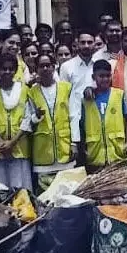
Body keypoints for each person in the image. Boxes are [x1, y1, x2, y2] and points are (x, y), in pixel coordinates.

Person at [0, 54, 33, 190]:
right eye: (4, 69)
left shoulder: (24, 90)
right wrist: (2, 143)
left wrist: (12, 143)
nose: (7, 72)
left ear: (15, 70)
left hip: (19, 147)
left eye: (11, 69)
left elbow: (27, 119)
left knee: (20, 191)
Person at [28, 54, 76, 191]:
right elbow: (29, 120)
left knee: (67, 192)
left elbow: (73, 117)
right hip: (43, 151)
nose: (45, 69)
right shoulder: (31, 92)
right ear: (36, 69)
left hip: (64, 147)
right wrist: (36, 116)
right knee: (46, 195)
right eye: (41, 66)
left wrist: (74, 143)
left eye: (48, 65)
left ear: (54, 67)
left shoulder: (66, 88)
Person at [81, 60, 127, 171]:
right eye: (101, 76)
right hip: (95, 154)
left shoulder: (119, 95)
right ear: (94, 77)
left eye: (108, 76)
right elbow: (82, 125)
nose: (105, 79)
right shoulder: (87, 100)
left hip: (117, 152)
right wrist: (84, 147)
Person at [60, 31, 100, 121]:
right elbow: (63, 96)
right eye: (83, 42)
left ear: (94, 44)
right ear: (77, 44)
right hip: (75, 117)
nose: (86, 46)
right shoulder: (66, 66)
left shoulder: (100, 64)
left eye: (90, 42)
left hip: (97, 116)